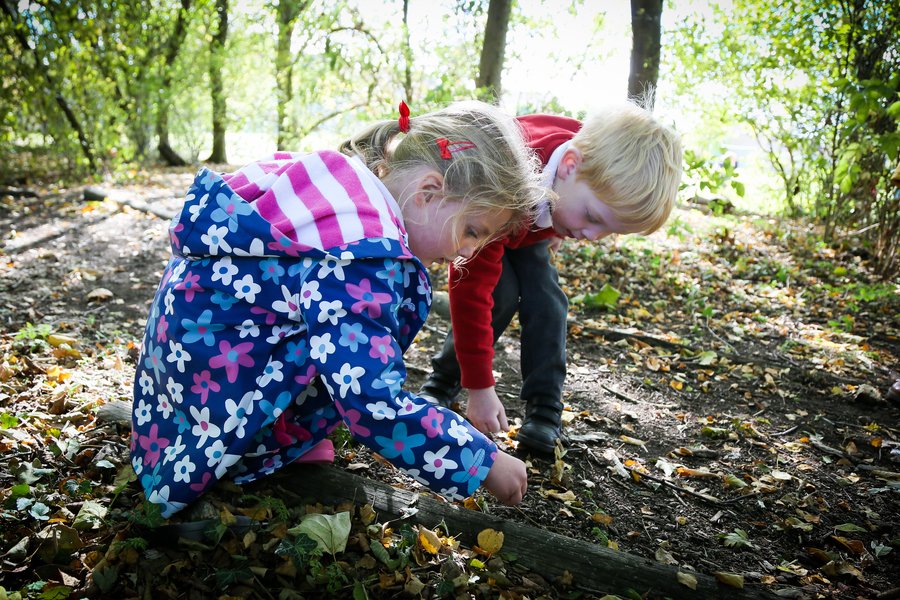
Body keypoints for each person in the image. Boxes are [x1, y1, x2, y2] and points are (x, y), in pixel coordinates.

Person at [130, 100, 547, 518]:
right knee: (352, 363)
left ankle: (287, 429)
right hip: (213, 395)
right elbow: (370, 399)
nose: (468, 252)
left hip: (179, 365)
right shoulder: (363, 257)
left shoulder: (338, 183)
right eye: (473, 231)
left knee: (333, 338)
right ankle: (251, 451)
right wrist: (482, 460)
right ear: (429, 191)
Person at [418, 100, 683, 455]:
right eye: (592, 217)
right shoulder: (506, 183)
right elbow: (470, 290)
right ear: (569, 165)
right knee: (498, 294)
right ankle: (442, 382)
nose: (592, 236)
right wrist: (480, 387)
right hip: (498, 214)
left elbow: (577, 168)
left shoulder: (588, 161)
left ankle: (544, 411)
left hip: (534, 221)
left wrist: (559, 225)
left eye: (608, 231)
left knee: (549, 301)